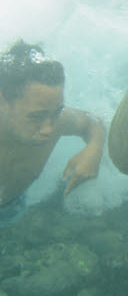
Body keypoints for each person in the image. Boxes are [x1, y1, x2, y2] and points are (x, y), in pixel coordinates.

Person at [0, 40, 106, 224]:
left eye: (56, 113)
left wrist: (94, 148)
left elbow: (93, 122)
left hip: (13, 206)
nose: (49, 129)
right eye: (36, 117)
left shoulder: (59, 121)